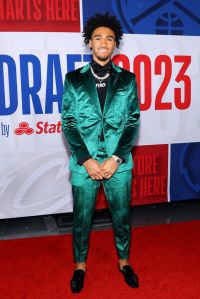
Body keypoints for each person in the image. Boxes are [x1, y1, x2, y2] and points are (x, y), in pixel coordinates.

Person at [61, 12, 140, 293]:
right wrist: (87, 159)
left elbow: (132, 121)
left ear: (115, 44)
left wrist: (116, 158)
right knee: (82, 219)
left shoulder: (128, 80)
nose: (103, 42)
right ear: (89, 43)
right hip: (85, 165)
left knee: (122, 216)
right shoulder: (73, 79)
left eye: (109, 38)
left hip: (119, 163)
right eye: (98, 38)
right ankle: (80, 266)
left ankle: (124, 262)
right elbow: (68, 122)